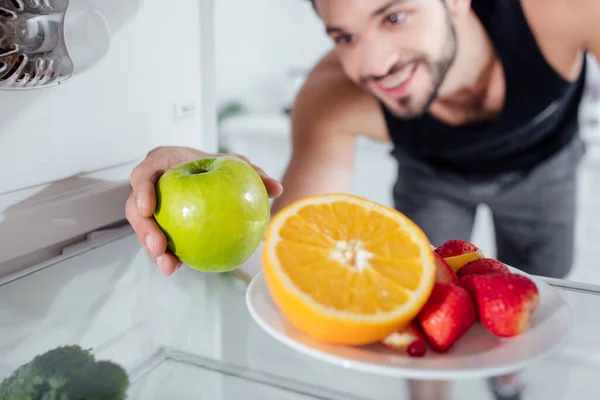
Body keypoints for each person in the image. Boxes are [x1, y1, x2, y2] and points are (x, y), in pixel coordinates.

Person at [126, 0, 599, 399]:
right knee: (416, 302)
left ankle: (509, 380)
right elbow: (285, 257)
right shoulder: (334, 97)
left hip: (544, 169)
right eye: (344, 37)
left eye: (393, 17)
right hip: (431, 177)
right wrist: (210, 200)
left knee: (540, 287)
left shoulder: (557, 12)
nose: (372, 65)